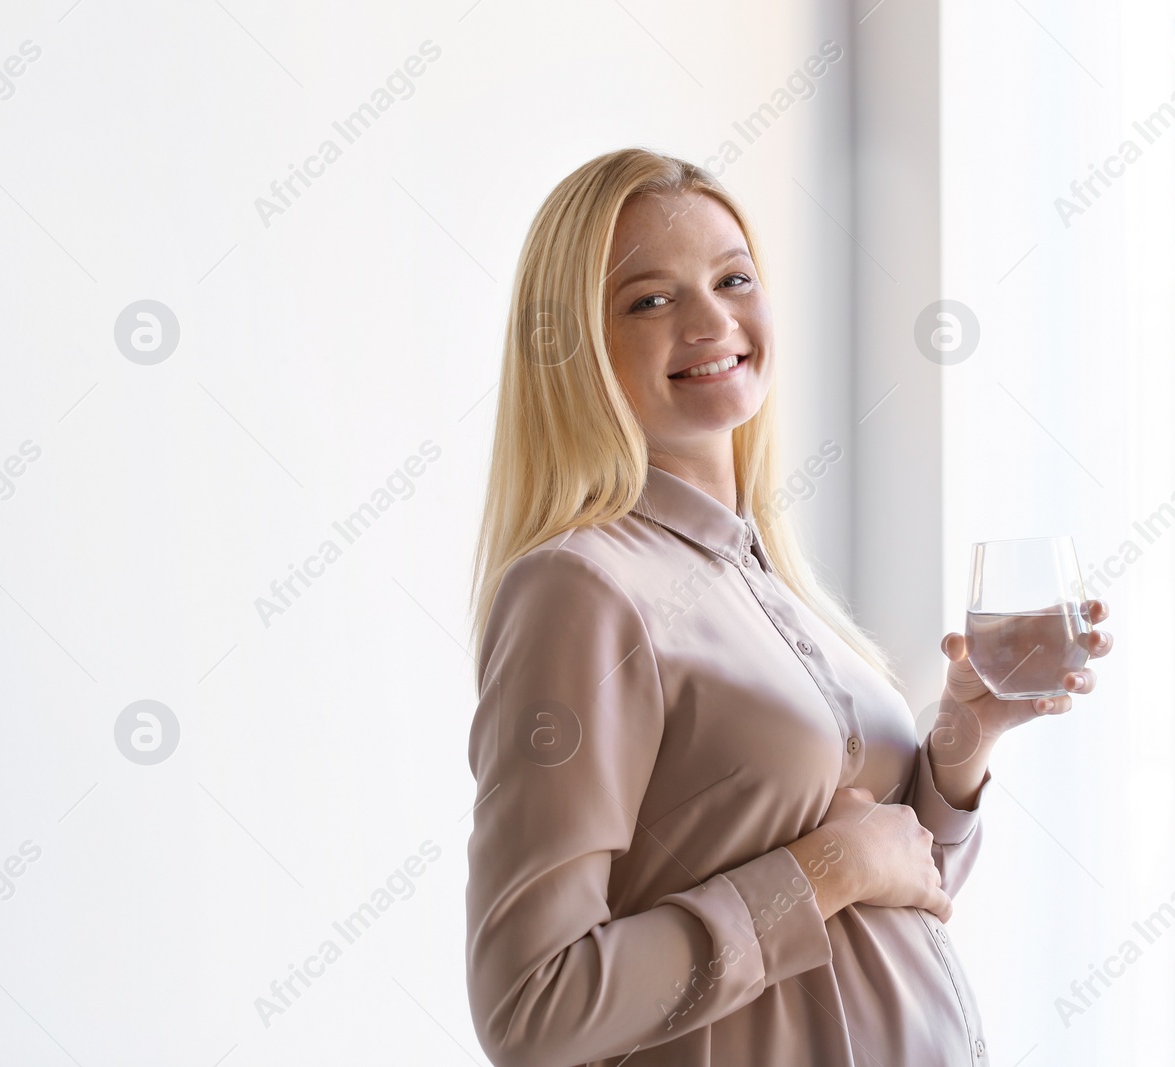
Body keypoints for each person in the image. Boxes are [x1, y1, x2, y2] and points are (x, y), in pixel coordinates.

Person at [463, 147, 1112, 1067]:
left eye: (733, 278)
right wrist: (829, 870)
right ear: (575, 346)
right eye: (649, 299)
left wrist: (965, 736)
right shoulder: (580, 589)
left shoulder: (772, 580)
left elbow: (900, 887)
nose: (711, 319)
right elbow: (534, 1008)